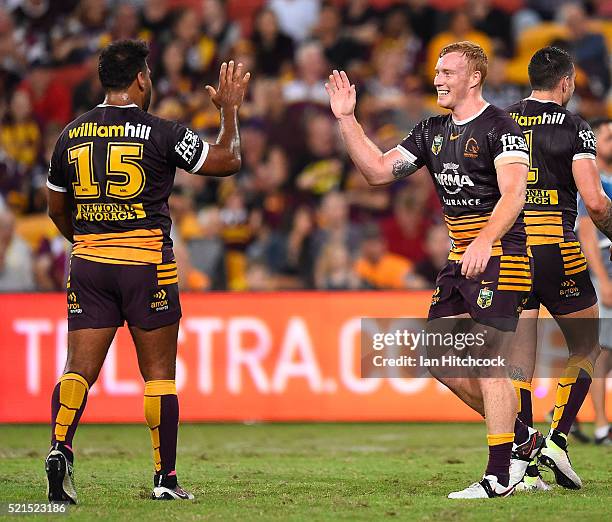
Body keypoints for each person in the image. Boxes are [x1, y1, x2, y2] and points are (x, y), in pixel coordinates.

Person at [45, 40, 250, 503]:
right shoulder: (161, 132)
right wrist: (230, 112)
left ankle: (60, 448)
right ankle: (165, 479)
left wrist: (88, 241)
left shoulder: (70, 134)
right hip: (146, 265)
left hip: (89, 264)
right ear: (141, 78)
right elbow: (228, 160)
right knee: (158, 374)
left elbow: (56, 208)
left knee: (78, 368)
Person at [327, 41, 532, 498]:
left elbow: (514, 194)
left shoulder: (503, 127)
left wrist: (486, 238)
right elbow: (377, 172)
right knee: (438, 357)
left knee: (490, 360)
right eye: (436, 71)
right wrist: (346, 119)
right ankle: (523, 439)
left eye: (447, 72)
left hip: (502, 253)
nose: (437, 78)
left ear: (474, 77)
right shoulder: (430, 131)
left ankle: (500, 474)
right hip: (461, 258)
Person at [505, 47, 612, 490]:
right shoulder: (575, 126)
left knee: (519, 362)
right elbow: (594, 201)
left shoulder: (502, 120)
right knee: (588, 346)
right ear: (566, 82)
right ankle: (557, 441)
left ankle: (521, 461)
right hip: (557, 248)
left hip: (512, 250)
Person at [577, 118, 612, 446]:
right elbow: (587, 235)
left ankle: (567, 416)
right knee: (601, 351)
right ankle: (602, 426)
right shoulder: (592, 182)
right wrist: (602, 280)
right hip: (603, 270)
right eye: (607, 133)